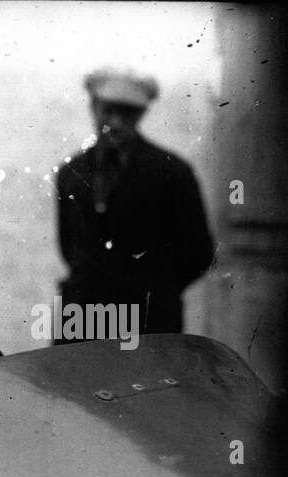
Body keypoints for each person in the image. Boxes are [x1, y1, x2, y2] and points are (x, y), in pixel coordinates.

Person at [55, 67, 214, 340]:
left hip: (147, 322)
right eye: (108, 111)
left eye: (126, 113)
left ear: (141, 115)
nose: (115, 122)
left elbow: (198, 254)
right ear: (93, 108)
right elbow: (69, 246)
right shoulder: (71, 172)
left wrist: (156, 290)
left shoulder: (172, 172)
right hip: (81, 320)